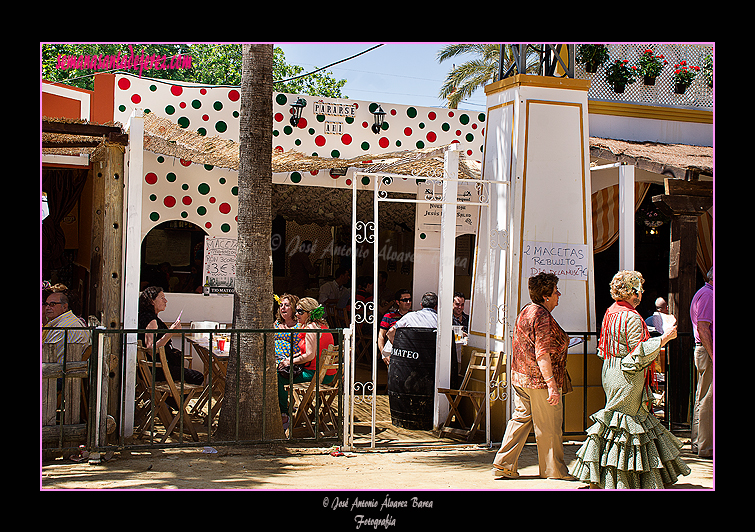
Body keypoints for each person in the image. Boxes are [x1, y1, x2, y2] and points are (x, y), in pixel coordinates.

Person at [571, 270, 690, 488]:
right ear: (633, 292)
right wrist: (664, 338)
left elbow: (605, 348)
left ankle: (610, 475)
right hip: (627, 377)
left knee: (616, 423)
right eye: (639, 289)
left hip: (611, 371)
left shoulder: (611, 312)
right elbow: (636, 354)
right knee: (627, 425)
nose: (642, 294)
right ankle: (622, 478)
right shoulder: (631, 316)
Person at [492, 273, 574, 481]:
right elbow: (542, 352)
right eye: (556, 291)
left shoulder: (526, 311)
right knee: (549, 425)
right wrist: (552, 385)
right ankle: (553, 469)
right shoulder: (543, 316)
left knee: (520, 419)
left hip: (520, 376)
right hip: (538, 380)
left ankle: (503, 464)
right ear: (546, 296)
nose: (559, 295)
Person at [277, 297, 337, 428]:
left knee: (279, 377)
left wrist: (289, 362)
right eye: (297, 311)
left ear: (309, 313)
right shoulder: (323, 326)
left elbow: (309, 355)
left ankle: (283, 414)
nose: (296, 314)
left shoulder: (311, 328)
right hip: (327, 375)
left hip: (316, 375)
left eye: (300, 311)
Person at [138, 286, 204, 385]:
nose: (166, 301)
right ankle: (176, 401)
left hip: (154, 367)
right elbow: (151, 350)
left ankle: (168, 400)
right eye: (162, 298)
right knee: (197, 377)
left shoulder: (144, 317)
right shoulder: (151, 321)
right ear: (152, 301)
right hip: (157, 369)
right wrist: (170, 332)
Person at [690, 267, 713, 459]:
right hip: (707, 351)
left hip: (704, 350)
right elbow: (704, 328)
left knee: (703, 397)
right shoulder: (708, 296)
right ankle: (706, 446)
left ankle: (699, 444)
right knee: (708, 399)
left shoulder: (704, 293)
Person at [42, 284, 91, 363]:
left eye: (52, 304)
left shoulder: (65, 326)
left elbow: (48, 358)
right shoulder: (60, 322)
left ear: (65, 307)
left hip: (62, 372)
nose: (48, 307)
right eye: (46, 304)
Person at [377, 288, 412, 365]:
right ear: (398, 302)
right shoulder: (389, 316)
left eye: (410, 299)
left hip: (410, 354)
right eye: (405, 300)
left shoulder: (414, 316)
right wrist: (384, 354)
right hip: (393, 353)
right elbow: (381, 336)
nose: (408, 302)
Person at [273, 293, 300, 365]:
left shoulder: (299, 325)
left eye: (287, 305)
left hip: (290, 362)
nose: (283, 307)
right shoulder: (277, 324)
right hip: (274, 360)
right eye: (281, 305)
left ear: (293, 308)